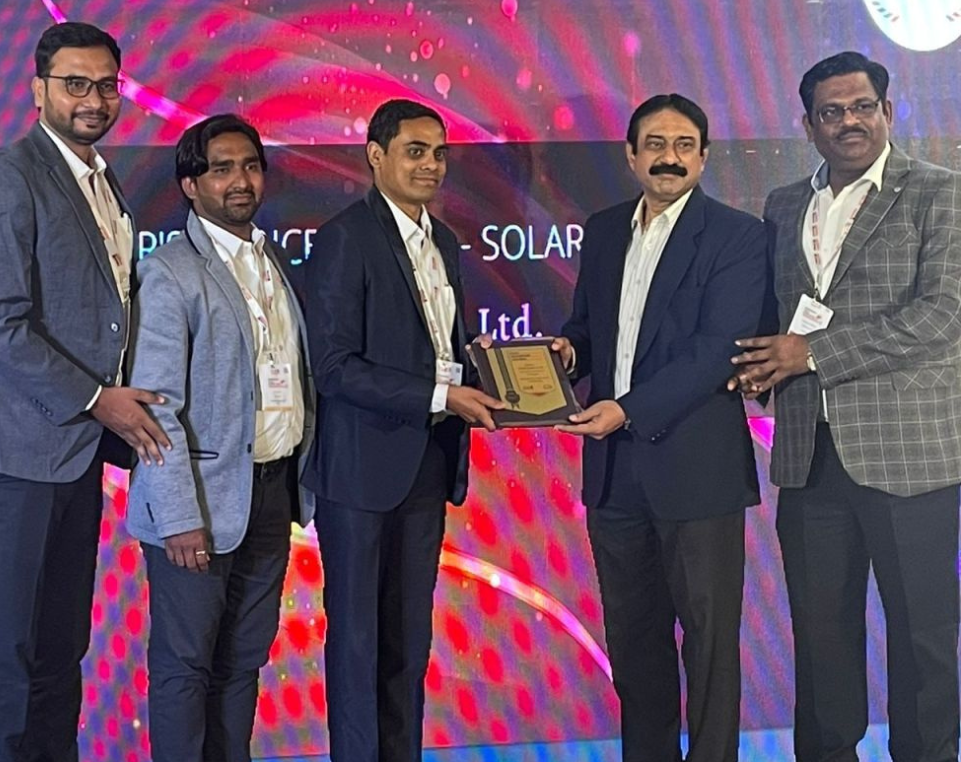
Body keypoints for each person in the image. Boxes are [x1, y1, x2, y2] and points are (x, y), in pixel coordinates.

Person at [0, 22, 169, 762]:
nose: (93, 100)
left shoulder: (102, 180)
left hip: (72, 449)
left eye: (106, 85)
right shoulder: (5, 178)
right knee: (13, 649)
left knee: (61, 643)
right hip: (12, 448)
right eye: (75, 84)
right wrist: (100, 400)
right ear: (39, 90)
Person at [731, 51, 961, 762]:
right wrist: (756, 369)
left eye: (862, 106)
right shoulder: (783, 205)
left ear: (887, 111)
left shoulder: (940, 192)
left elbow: (942, 315)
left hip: (910, 455)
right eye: (831, 112)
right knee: (821, 636)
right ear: (809, 125)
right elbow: (774, 315)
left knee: (923, 636)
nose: (848, 122)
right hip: (808, 454)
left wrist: (812, 353)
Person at [553, 94, 768, 762]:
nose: (668, 158)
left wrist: (627, 409)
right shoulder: (604, 230)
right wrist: (567, 354)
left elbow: (716, 351)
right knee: (635, 646)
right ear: (631, 155)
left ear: (703, 157)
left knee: (709, 648)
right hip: (614, 476)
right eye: (654, 144)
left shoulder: (737, 236)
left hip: (698, 473)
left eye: (682, 145)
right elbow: (590, 328)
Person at [302, 98, 504, 761]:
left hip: (427, 464)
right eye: (415, 151)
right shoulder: (346, 238)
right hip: (360, 472)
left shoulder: (442, 240)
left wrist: (494, 371)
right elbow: (334, 366)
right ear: (376, 155)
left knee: (408, 645)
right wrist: (442, 393)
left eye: (439, 153)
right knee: (358, 643)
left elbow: (436, 348)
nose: (431, 165)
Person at [125, 113, 316, 762]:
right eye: (222, 168)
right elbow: (155, 408)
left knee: (243, 660)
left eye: (251, 166)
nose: (240, 180)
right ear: (190, 184)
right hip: (197, 506)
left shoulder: (269, 262)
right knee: (185, 666)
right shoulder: (170, 273)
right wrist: (179, 516)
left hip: (269, 494)